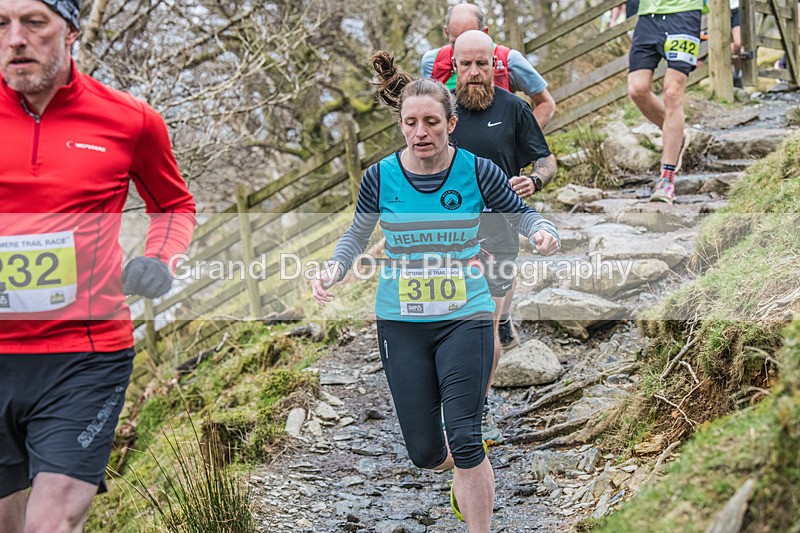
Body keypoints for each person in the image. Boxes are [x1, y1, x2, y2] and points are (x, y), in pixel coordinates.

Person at [311, 51, 559, 531]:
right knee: (427, 452)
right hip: (401, 323)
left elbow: (519, 212)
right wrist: (333, 270)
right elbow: (355, 236)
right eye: (410, 123)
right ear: (401, 126)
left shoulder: (477, 170)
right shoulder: (379, 178)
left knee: (467, 438)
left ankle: (477, 514)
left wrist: (542, 229)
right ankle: (458, 478)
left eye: (431, 121)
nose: (420, 132)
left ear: (450, 122)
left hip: (466, 313)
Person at [0, 1, 196, 531]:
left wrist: (160, 258)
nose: (16, 38)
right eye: (0, 24)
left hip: (85, 354)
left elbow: (175, 206)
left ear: (70, 32)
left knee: (51, 521)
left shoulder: (129, 119)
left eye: (34, 22)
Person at [449, 30, 556, 444]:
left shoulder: (514, 108)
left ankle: (480, 404)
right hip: (448, 234)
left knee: (483, 325)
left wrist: (535, 181)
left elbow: (546, 159)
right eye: (466, 64)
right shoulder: (442, 111)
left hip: (500, 231)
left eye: (482, 64)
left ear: (497, 65)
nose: (474, 73)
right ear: (453, 66)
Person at [421, 2, 557, 129]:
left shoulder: (509, 60)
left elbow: (546, 104)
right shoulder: (432, 62)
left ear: (485, 32)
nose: (464, 47)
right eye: (455, 42)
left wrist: (522, 141)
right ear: (447, 31)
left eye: (472, 39)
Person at [627, 0, 703, 204]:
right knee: (637, 89)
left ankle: (666, 180)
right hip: (648, 16)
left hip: (684, 14)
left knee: (672, 92)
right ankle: (677, 135)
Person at [730, 0, 743, 88]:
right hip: (718, 11)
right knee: (725, 45)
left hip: (736, 7)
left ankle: (737, 73)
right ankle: (731, 75)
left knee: (737, 44)